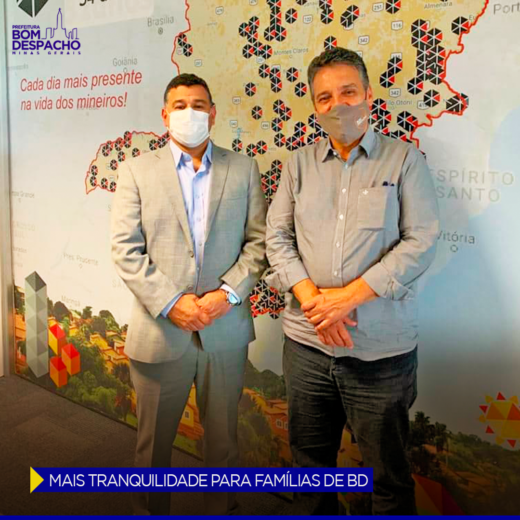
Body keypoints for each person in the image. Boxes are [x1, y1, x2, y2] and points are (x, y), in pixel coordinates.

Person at [266, 47, 439, 515]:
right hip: (306, 346)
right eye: (325, 98)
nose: (338, 105)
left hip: (380, 355)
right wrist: (314, 302)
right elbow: (277, 238)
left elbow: (421, 240)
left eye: (347, 92)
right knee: (310, 472)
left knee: (388, 480)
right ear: (314, 106)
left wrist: (346, 300)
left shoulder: (404, 160)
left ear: (367, 94)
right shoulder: (297, 165)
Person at [111, 73, 267, 515]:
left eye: (198, 105)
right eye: (179, 106)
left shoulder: (243, 168)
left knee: (223, 444)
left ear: (212, 114)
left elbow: (258, 244)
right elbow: (125, 250)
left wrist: (227, 295)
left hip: (225, 330)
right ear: (165, 115)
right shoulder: (136, 171)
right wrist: (172, 303)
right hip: (160, 331)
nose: (189, 113)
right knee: (153, 449)